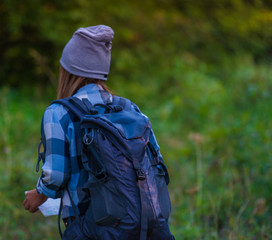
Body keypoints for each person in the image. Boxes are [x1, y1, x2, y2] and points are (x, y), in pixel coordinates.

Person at [23, 25, 173, 239]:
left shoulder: (58, 112)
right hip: (138, 223)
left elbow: (55, 176)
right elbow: (156, 161)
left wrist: (38, 196)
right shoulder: (130, 108)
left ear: (67, 70)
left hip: (88, 225)